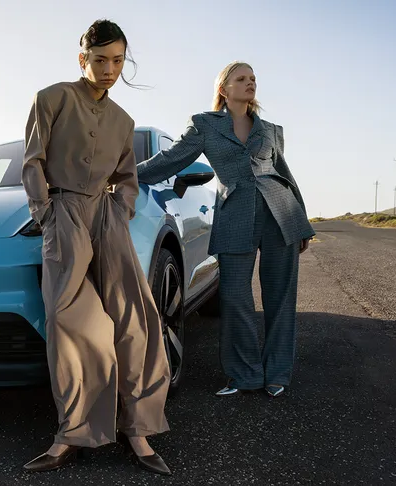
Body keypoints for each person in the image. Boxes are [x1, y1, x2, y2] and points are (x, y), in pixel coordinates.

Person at [20, 19, 172, 476]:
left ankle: (139, 429)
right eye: (101, 59)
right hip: (64, 212)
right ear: (82, 57)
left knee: (136, 319)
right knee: (71, 324)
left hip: (107, 217)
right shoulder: (50, 99)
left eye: (118, 60)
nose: (110, 69)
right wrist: (48, 213)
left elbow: (128, 178)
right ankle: (72, 433)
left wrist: (121, 209)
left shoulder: (124, 121)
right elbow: (33, 161)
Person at [135, 61, 315, 398]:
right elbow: (170, 160)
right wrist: (125, 174)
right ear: (224, 88)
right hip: (234, 214)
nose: (250, 83)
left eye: (253, 79)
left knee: (280, 297)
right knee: (234, 298)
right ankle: (244, 375)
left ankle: (277, 373)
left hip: (281, 213)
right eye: (241, 78)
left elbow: (285, 176)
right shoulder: (204, 125)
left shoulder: (271, 130)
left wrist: (301, 221)